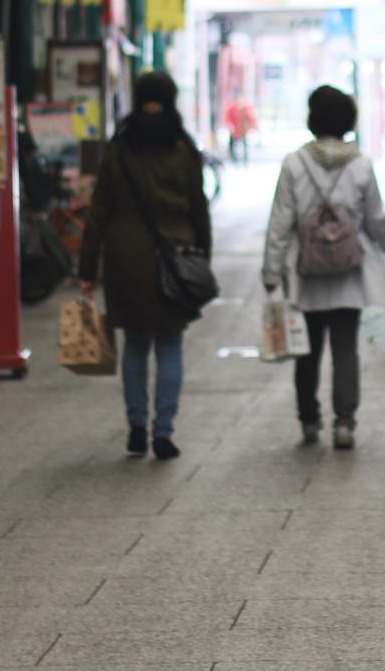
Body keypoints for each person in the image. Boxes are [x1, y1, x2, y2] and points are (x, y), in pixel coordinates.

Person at [79, 72, 213, 461]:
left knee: (136, 343)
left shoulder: (119, 149)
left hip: (125, 257)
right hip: (176, 257)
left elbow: (99, 211)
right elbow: (198, 207)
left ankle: (136, 427)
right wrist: (202, 256)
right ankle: (163, 432)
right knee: (170, 342)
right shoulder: (183, 149)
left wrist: (87, 267)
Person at [262, 85, 385, 450]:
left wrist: (271, 271)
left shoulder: (294, 164)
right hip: (349, 273)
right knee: (345, 349)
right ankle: (345, 423)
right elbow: (375, 220)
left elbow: (280, 222)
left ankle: (309, 421)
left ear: (312, 121)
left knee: (306, 350)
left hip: (306, 274)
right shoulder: (361, 165)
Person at [225, 96, 258, 165]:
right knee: (232, 145)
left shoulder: (246, 108)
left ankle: (245, 160)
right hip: (234, 131)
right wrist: (231, 126)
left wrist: (251, 127)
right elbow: (227, 119)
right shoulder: (232, 108)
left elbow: (251, 118)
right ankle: (233, 159)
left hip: (242, 131)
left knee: (245, 145)